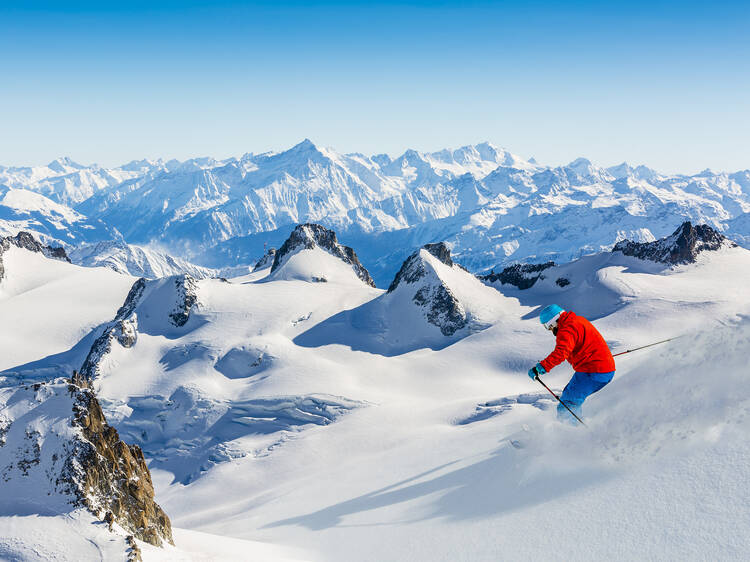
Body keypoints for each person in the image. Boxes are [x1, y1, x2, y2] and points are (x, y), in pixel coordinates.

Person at [528, 304, 615, 424]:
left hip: (593, 371)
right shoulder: (577, 320)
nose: (551, 330)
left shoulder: (566, 329)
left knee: (567, 405)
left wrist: (540, 368)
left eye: (548, 327)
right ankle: (579, 428)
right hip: (603, 368)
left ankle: (574, 437)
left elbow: (561, 353)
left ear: (552, 322)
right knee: (569, 397)